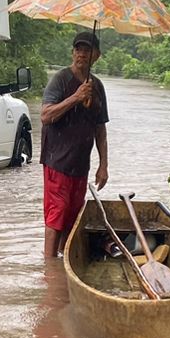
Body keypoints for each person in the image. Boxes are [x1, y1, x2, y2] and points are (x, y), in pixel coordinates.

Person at [39, 30, 109, 258]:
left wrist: (103, 165)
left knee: (72, 218)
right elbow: (46, 115)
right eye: (78, 49)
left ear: (96, 55)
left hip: (80, 166)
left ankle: (64, 264)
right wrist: (75, 98)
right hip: (57, 162)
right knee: (55, 218)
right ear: (72, 52)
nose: (81, 54)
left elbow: (100, 128)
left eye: (87, 50)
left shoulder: (97, 87)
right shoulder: (60, 79)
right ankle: (50, 271)